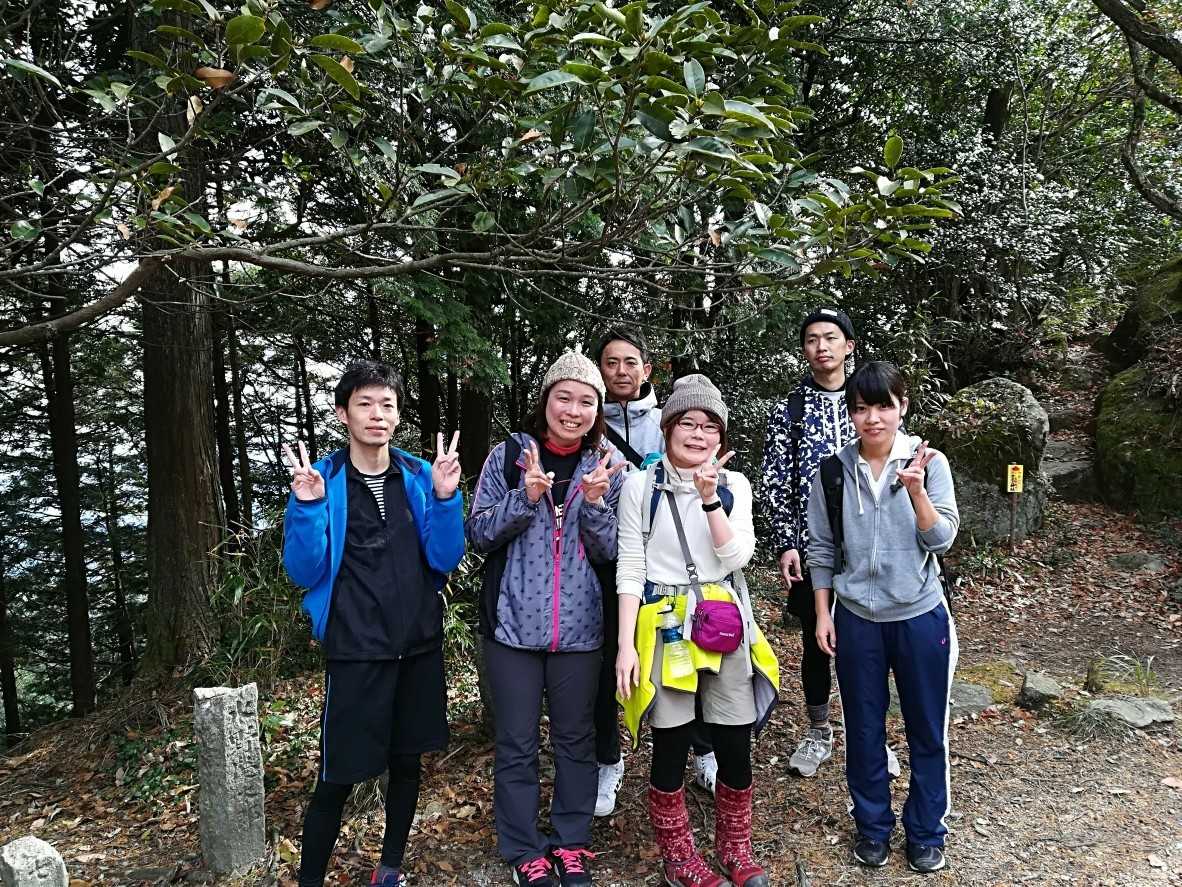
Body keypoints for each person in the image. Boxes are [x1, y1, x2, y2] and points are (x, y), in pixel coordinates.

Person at [282, 360, 466, 887]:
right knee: (336, 778)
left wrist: (447, 498)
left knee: (407, 764)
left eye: (387, 404)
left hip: (418, 647)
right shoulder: (323, 479)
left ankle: (389, 869)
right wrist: (307, 507)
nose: (377, 414)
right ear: (344, 413)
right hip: (357, 650)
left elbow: (444, 557)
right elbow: (303, 570)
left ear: (398, 415)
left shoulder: (418, 475)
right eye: (364, 404)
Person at [466, 351, 627, 887]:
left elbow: (612, 553)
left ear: (597, 410)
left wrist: (596, 505)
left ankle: (571, 843)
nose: (573, 411)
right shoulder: (510, 456)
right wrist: (526, 497)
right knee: (516, 743)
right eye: (564, 398)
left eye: (586, 401)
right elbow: (478, 532)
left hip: (580, 630)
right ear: (546, 401)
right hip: (512, 628)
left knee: (576, 740)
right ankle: (523, 850)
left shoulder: (606, 465)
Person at [616, 375, 779, 887]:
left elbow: (737, 557)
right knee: (670, 740)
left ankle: (735, 848)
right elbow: (630, 567)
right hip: (663, 622)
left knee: (734, 738)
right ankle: (679, 858)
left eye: (711, 427)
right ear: (667, 428)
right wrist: (625, 647)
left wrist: (710, 500)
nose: (698, 434)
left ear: (721, 437)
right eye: (688, 423)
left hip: (721, 618)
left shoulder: (734, 486)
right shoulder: (641, 486)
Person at [807, 361, 959, 875]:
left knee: (926, 728)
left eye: (883, 406)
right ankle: (873, 828)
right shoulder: (833, 471)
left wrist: (916, 491)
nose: (873, 418)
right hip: (856, 618)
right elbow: (822, 549)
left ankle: (926, 832)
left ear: (903, 407)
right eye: (861, 408)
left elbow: (942, 540)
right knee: (864, 728)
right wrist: (823, 613)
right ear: (850, 413)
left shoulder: (928, 463)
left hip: (919, 615)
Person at [593, 328, 718, 819]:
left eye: (630, 362)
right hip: (610, 559)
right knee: (611, 658)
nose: (621, 371)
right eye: (611, 363)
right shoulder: (586, 421)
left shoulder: (673, 421)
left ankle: (703, 748)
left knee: (692, 651)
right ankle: (609, 759)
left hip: (673, 564)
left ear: (647, 369)